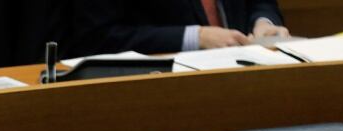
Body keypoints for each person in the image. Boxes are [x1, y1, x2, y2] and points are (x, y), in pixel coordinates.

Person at [69, 0, 290, 57]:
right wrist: (196, 37)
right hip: (159, 92)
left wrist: (264, 23)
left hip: (246, 79)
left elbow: (261, 3)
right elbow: (98, 37)